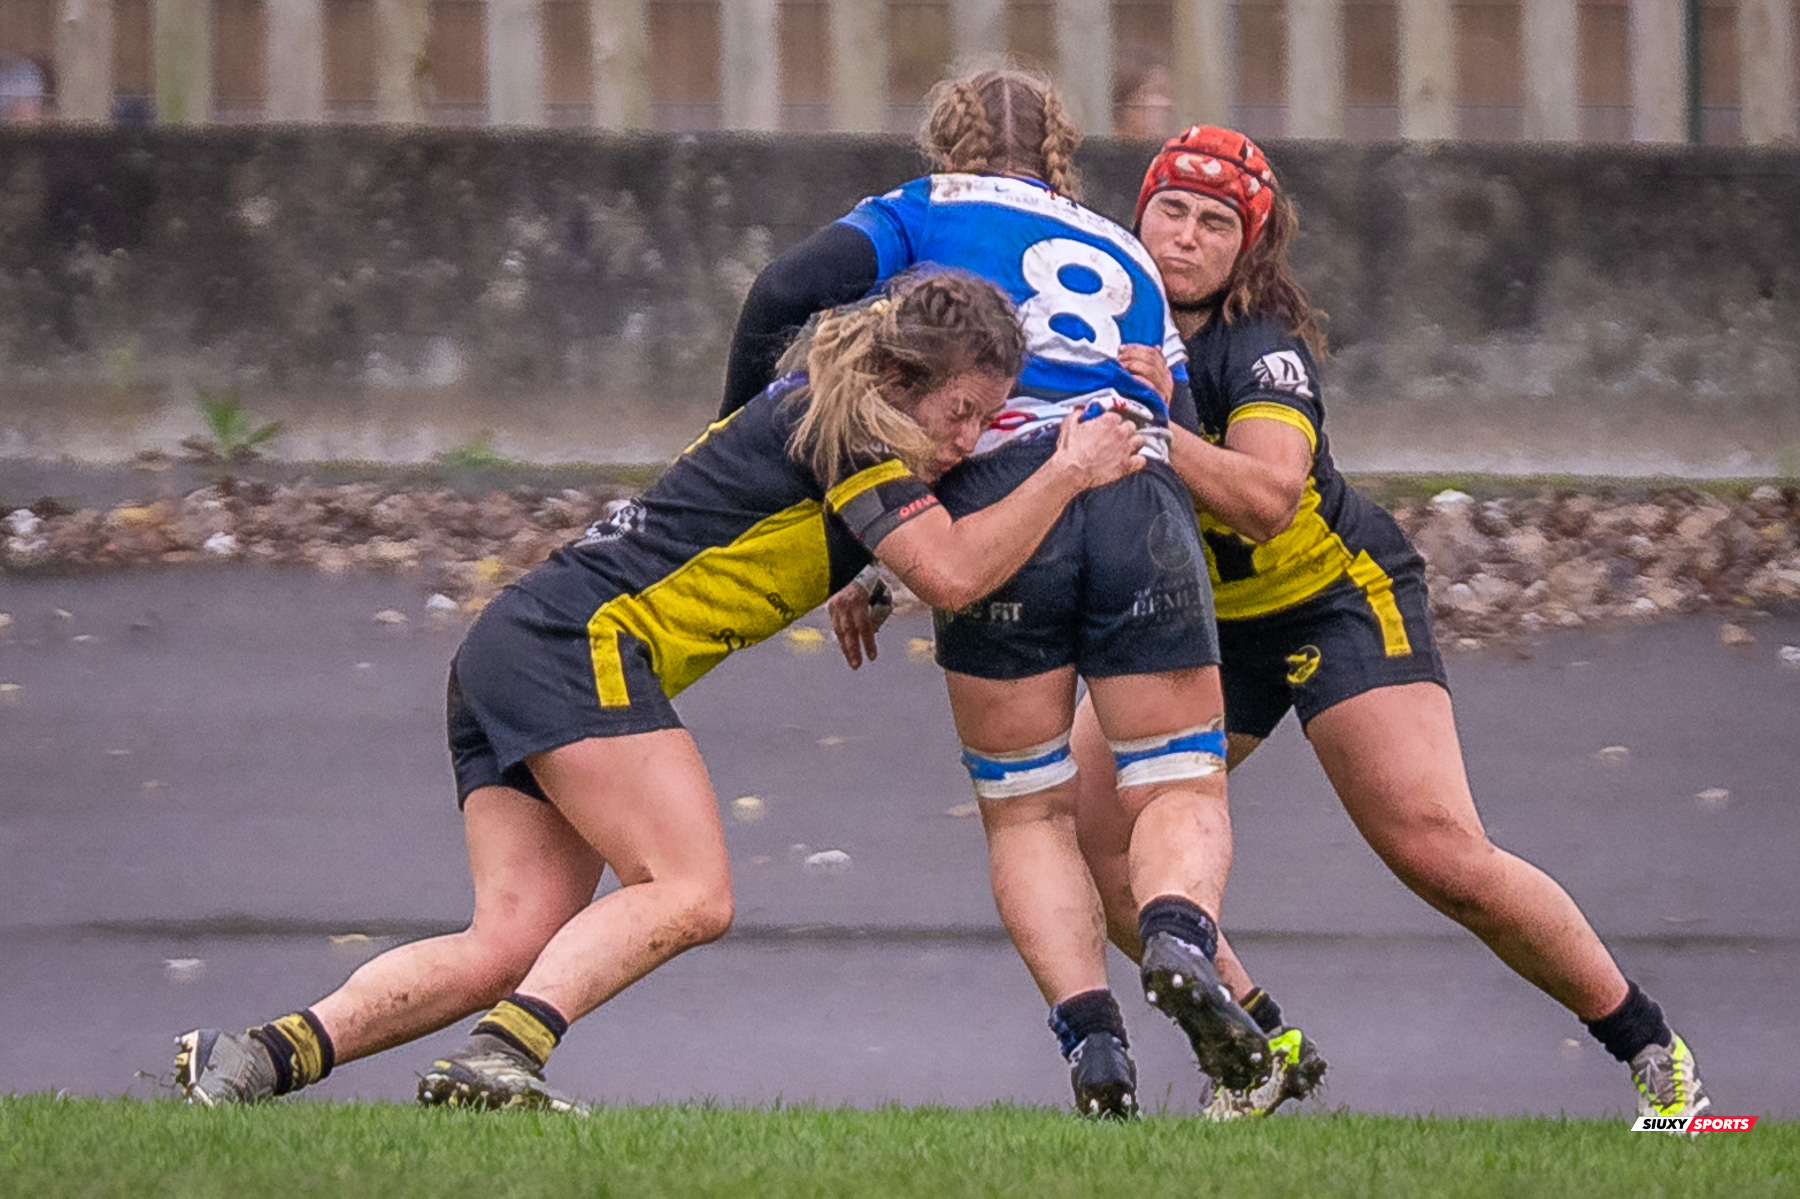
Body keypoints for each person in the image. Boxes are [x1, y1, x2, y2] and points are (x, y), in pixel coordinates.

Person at [172, 269, 1151, 1110]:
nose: (970, 439)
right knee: (691, 890)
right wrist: (1069, 469)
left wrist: (864, 571)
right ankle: (501, 1055)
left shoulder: (827, 405)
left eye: (990, 416)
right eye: (962, 414)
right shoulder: (854, 430)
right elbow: (951, 571)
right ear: (901, 379)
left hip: (513, 643)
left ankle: (254, 1055)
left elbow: (838, 533)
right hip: (576, 647)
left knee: (507, 943)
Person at [1073, 124, 1711, 1122]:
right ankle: (1260, 1043)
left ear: (1249, 248)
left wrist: (1153, 430)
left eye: (1213, 222)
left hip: (1335, 599)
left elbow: (1271, 497)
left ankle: (1650, 1046)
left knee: (1438, 850)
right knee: (1090, 823)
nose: (1184, 238)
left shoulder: (1262, 348)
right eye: (1170, 211)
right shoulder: (1094, 329)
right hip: (1202, 621)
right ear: (1136, 214)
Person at [726, 67, 1272, 1118]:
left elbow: (783, 290)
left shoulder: (918, 210)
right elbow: (1174, 414)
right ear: (1061, 150)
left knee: (1027, 809)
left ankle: (1096, 1044)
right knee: (1176, 786)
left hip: (991, 499)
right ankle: (1176, 934)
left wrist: (739, 429)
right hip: (1131, 484)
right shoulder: (1125, 252)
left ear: (944, 141)